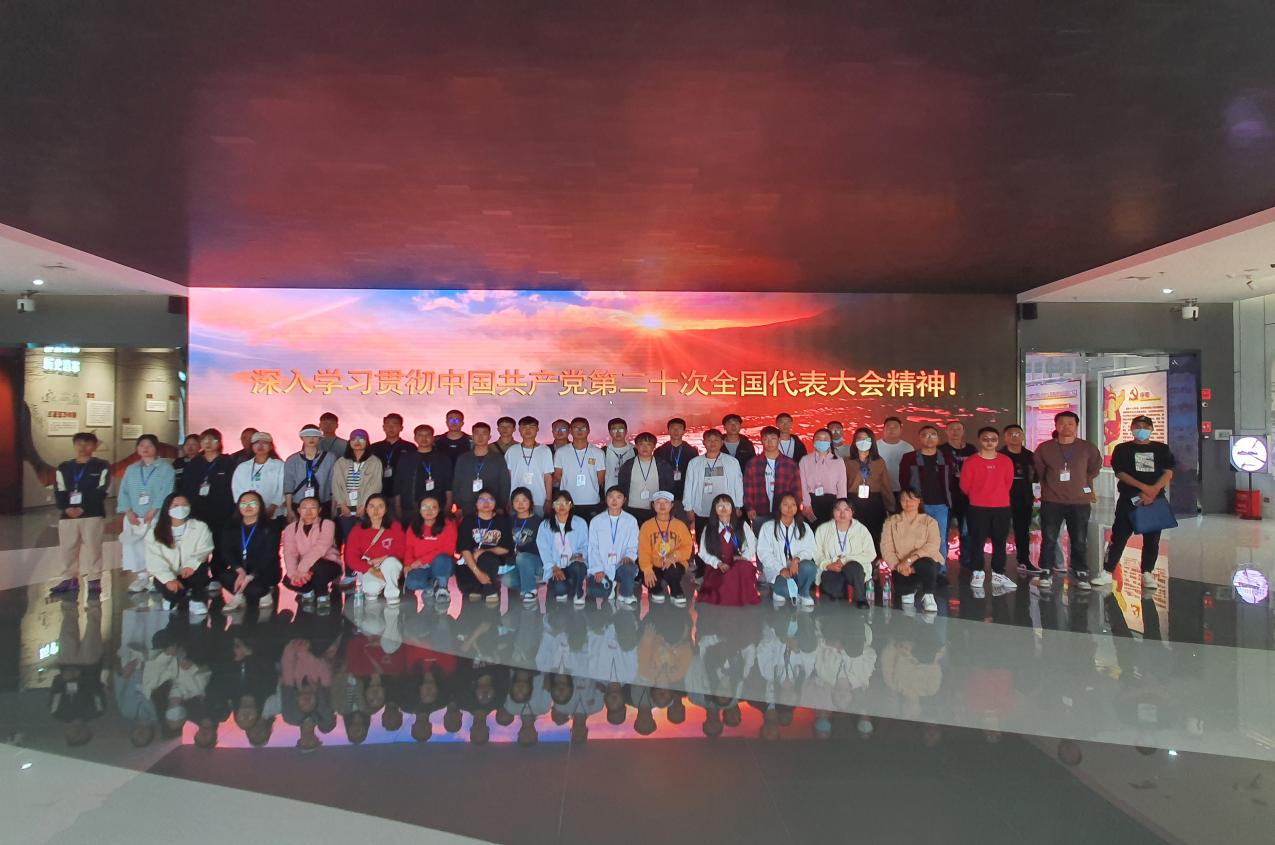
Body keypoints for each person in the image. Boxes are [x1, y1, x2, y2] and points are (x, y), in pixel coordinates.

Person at [1095, 415, 1176, 591]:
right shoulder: (1122, 449)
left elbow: (1168, 471)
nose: (1141, 429)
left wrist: (1153, 490)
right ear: (1131, 428)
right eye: (1138, 426)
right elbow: (1120, 472)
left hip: (1154, 500)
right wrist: (1144, 488)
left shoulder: (1161, 449)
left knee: (1152, 539)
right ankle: (1107, 571)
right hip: (1128, 499)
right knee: (1119, 536)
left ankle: (1147, 573)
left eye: (1145, 426)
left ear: (1152, 429)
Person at [1033, 411, 1103, 589]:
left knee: (1079, 539)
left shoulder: (1087, 448)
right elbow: (1040, 471)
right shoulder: (1045, 448)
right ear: (1056, 426)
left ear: (1076, 426)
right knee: (1049, 538)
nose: (1066, 427)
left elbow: (1094, 468)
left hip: (1079, 501)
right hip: (1052, 500)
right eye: (1062, 423)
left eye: (1070, 423)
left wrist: (1082, 480)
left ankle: (1080, 571)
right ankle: (1046, 571)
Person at [51, 432, 112, 595]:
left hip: (92, 514)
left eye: (87, 444)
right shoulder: (64, 467)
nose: (83, 447)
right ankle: (69, 578)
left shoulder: (102, 465)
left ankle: (94, 579)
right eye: (79, 443)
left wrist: (83, 507)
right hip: (68, 515)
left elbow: (102, 489)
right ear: (74, 445)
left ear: (95, 446)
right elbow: (59, 489)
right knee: (67, 549)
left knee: (93, 547)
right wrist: (66, 508)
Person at [960, 427, 1016, 594]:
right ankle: (978, 572)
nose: (989, 442)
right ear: (979, 440)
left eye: (993, 439)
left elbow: (1008, 483)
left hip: (1001, 507)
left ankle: (998, 573)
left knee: (1000, 541)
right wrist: (979, 495)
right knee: (977, 540)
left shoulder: (1006, 461)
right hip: (978, 507)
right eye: (985, 439)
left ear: (998, 441)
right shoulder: (971, 461)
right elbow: (964, 485)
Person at [117, 434, 176, 594]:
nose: (145, 448)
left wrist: (154, 509)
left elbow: (166, 490)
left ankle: (157, 577)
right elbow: (124, 491)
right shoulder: (131, 469)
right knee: (135, 547)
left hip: (156, 515)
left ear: (156, 448)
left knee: (155, 546)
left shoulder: (165, 468)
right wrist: (128, 511)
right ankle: (142, 577)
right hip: (134, 516)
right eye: (141, 445)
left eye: (149, 445)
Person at [145, 492, 215, 615]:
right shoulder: (155, 532)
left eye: (184, 505)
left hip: (191, 571)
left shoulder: (200, 527)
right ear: (167, 508)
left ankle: (196, 600)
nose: (181, 508)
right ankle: (172, 598)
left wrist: (191, 565)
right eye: (176, 505)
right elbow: (154, 559)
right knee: (171, 592)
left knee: (201, 570)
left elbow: (205, 548)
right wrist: (169, 579)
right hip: (169, 573)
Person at [897, 426, 955, 564]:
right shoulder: (909, 458)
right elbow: (903, 481)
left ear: (938, 438)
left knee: (940, 539)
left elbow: (951, 480)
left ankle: (940, 570)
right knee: (916, 540)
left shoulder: (946, 457)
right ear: (920, 438)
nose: (929, 437)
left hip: (941, 505)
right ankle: (917, 569)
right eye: (925, 435)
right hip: (917, 506)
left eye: (933, 434)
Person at [217, 491, 280, 611]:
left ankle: (263, 594)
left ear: (260, 505)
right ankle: (239, 595)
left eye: (253, 503)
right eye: (244, 503)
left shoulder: (270, 526)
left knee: (257, 588)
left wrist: (251, 575)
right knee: (224, 576)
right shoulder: (231, 526)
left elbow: (269, 555)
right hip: (242, 568)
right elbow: (226, 551)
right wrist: (239, 570)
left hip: (263, 570)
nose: (248, 506)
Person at [179, 428, 237, 559]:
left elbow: (233, 487)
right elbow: (186, 487)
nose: (208, 443)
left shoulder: (227, 462)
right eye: (205, 440)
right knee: (199, 543)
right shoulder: (194, 463)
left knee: (220, 545)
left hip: (222, 511)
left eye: (213, 440)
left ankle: (218, 570)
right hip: (198, 510)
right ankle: (200, 569)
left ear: (219, 443)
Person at [881, 490, 941, 613]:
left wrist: (909, 561)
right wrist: (898, 566)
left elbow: (933, 545)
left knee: (927, 564)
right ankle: (913, 588)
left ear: (919, 501)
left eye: (911, 499)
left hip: (924, 563)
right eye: (904, 500)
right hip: (900, 566)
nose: (908, 503)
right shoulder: (891, 522)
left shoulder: (930, 522)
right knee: (906, 599)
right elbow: (886, 548)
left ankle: (929, 595)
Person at [696, 494, 760, 607]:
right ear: (714, 509)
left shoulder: (742, 525)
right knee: (722, 582)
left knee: (743, 568)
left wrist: (743, 557)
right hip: (718, 567)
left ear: (732, 508)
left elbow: (753, 543)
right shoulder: (708, 528)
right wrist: (718, 563)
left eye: (727, 505)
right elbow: (703, 552)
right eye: (720, 506)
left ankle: (737, 594)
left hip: (737, 564)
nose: (724, 508)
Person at [342, 494, 406, 605]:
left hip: (390, 565)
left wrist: (381, 559)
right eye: (372, 506)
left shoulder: (395, 527)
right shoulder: (358, 530)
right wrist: (371, 569)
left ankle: (392, 594)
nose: (376, 510)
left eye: (380, 506)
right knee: (371, 590)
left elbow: (401, 551)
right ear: (366, 509)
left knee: (391, 562)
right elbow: (351, 557)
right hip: (368, 567)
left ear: (386, 509)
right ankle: (382, 583)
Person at [755, 493, 818, 607]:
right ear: (779, 506)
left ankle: (803, 593)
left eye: (793, 504)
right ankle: (784, 589)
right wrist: (781, 569)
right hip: (777, 571)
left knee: (810, 567)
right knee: (784, 593)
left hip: (797, 569)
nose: (790, 508)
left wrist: (797, 559)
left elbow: (811, 549)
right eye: (785, 504)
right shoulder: (768, 527)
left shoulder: (804, 527)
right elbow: (764, 552)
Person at [280, 496, 342, 607]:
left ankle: (322, 593)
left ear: (319, 510)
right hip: (304, 569)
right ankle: (307, 590)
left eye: (313, 507)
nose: (308, 511)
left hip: (328, 565)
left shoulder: (327, 524)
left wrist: (302, 569)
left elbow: (320, 548)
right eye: (304, 508)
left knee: (318, 567)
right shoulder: (291, 528)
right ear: (298, 510)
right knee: (288, 580)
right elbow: (290, 553)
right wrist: (294, 574)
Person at [813, 499, 876, 607]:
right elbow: (817, 553)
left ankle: (861, 599)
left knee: (854, 567)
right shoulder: (822, 529)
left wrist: (845, 560)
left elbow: (871, 554)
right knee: (830, 585)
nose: (842, 514)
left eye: (846, 510)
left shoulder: (861, 530)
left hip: (854, 569)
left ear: (852, 512)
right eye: (838, 510)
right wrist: (827, 564)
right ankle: (842, 591)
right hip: (833, 567)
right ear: (833, 512)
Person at [844, 427, 896, 552]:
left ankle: (874, 560)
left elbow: (885, 485)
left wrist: (891, 507)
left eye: (866, 439)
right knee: (854, 533)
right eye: (860, 439)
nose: (863, 441)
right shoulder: (847, 461)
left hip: (874, 502)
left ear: (872, 441)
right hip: (853, 501)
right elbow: (842, 484)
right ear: (854, 441)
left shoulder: (879, 461)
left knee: (875, 533)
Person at [637, 492, 693, 607]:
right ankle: (656, 589)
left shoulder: (680, 525)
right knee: (649, 578)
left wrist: (674, 556)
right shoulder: (646, 526)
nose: (662, 506)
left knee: (673, 571)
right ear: (653, 505)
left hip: (673, 563)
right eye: (658, 502)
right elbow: (643, 551)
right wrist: (647, 570)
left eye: (666, 502)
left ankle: (676, 589)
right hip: (654, 564)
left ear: (671, 505)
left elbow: (688, 547)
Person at [587, 487, 641, 605]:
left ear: (624, 500)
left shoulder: (631, 520)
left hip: (620, 564)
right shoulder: (596, 521)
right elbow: (592, 548)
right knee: (597, 592)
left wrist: (629, 556)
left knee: (629, 568)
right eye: (611, 497)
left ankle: (625, 593)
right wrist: (598, 569)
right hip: (603, 566)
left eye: (618, 497)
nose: (614, 500)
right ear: (606, 499)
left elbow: (634, 544)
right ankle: (611, 584)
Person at [456, 489, 512, 602]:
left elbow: (506, 548)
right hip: (471, 560)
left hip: (494, 560)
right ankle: (477, 585)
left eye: (490, 500)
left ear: (495, 502)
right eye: (481, 500)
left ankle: (490, 590)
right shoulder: (468, 521)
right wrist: (478, 572)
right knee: (469, 589)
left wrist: (484, 551)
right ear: (475, 503)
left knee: (487, 557)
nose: (486, 503)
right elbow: (464, 549)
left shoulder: (502, 521)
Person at [681, 429, 744, 528]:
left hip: (726, 511)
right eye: (709, 440)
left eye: (716, 440)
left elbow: (738, 485)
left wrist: (738, 506)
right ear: (703, 443)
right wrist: (688, 508)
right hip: (701, 511)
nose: (712, 443)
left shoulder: (732, 462)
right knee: (702, 536)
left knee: (725, 536)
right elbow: (688, 486)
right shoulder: (694, 463)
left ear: (722, 442)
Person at [538, 491, 590, 606]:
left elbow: (585, 544)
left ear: (571, 505)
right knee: (560, 590)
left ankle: (578, 592)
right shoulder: (545, 525)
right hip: (556, 566)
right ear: (553, 506)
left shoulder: (580, 523)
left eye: (566, 503)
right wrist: (553, 567)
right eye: (558, 503)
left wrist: (580, 554)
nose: (562, 506)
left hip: (573, 563)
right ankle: (570, 584)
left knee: (578, 566)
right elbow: (543, 549)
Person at [403, 494, 457, 602]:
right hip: (421, 567)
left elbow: (448, 549)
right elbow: (409, 548)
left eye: (433, 507)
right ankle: (430, 587)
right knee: (412, 583)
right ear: (419, 509)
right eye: (425, 507)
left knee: (442, 558)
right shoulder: (413, 526)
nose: (429, 510)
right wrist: (408, 565)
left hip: (442, 565)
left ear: (439, 509)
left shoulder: (448, 525)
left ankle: (442, 587)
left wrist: (421, 561)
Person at [742, 425, 801, 525]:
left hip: (784, 512)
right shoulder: (753, 463)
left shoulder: (790, 463)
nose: (770, 442)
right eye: (766, 439)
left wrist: (795, 508)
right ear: (761, 441)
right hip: (759, 512)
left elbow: (796, 489)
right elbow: (747, 489)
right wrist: (750, 507)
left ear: (779, 440)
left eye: (773, 439)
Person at [396, 423, 455, 522]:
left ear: (433, 438)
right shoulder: (406, 458)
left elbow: (449, 484)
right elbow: (398, 484)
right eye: (420, 435)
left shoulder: (443, 458)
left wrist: (448, 505)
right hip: (411, 507)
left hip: (437, 507)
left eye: (427, 435)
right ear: (415, 438)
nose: (424, 438)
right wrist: (398, 507)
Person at [999, 424, 1037, 574]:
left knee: (1022, 530)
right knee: (1000, 531)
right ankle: (998, 564)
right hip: (1002, 498)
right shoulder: (999, 455)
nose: (1014, 436)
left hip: (1024, 498)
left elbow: (1036, 477)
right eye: (1011, 434)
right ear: (1005, 437)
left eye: (1018, 433)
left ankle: (1024, 560)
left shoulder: (1030, 456)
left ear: (1023, 436)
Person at [332, 429, 384, 538]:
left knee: (366, 538)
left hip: (365, 509)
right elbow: (336, 485)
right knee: (348, 539)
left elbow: (376, 485)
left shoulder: (374, 462)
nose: (357, 441)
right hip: (345, 509)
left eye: (361, 439)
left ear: (367, 442)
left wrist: (365, 505)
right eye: (354, 439)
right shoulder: (341, 462)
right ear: (349, 442)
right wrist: (342, 504)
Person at [552, 417, 606, 519]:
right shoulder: (561, 452)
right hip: (568, 501)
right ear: (571, 431)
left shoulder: (598, 453)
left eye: (583, 428)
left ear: (589, 430)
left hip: (592, 501)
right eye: (576, 428)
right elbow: (558, 476)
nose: (580, 431)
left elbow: (600, 479)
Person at [940, 421, 977, 570]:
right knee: (942, 532)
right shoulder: (940, 450)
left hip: (967, 497)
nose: (955, 432)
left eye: (958, 429)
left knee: (966, 531)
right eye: (951, 429)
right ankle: (941, 564)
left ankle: (966, 562)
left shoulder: (971, 449)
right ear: (946, 431)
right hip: (946, 497)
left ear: (963, 431)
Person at [453, 422, 510, 517]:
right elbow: (456, 482)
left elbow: (504, 483)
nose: (480, 437)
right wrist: (458, 505)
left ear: (489, 437)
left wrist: (501, 505)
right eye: (477, 433)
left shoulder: (498, 459)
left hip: (490, 505)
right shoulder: (463, 458)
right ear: (472, 437)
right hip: (466, 505)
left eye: (484, 433)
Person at [231, 431, 285, 526]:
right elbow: (236, 489)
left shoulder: (279, 465)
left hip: (274, 513)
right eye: (256, 443)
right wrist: (245, 506)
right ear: (252, 446)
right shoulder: (242, 467)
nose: (260, 445)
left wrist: (273, 506)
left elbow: (283, 487)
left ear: (271, 446)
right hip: (248, 513)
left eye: (264, 442)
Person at [282, 424, 336, 521]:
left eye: (315, 436)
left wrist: (333, 509)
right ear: (301, 438)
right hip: (299, 504)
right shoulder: (292, 460)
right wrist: (289, 510)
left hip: (323, 503)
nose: (311, 439)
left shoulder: (329, 458)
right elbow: (288, 486)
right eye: (307, 436)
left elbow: (333, 484)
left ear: (319, 437)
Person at [617, 431, 675, 519]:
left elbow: (669, 487)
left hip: (655, 509)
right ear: (636, 446)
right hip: (631, 509)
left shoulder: (663, 465)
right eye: (641, 444)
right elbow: (622, 486)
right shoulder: (627, 465)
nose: (645, 447)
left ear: (654, 446)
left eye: (649, 444)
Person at [506, 416, 555, 514]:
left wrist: (549, 499)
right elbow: (508, 477)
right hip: (516, 500)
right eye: (524, 427)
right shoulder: (512, 450)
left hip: (538, 500)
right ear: (519, 430)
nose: (528, 430)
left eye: (532, 427)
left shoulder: (545, 450)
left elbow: (548, 477)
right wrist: (508, 499)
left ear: (537, 429)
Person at [371, 413, 416, 519]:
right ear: (383, 427)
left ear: (401, 428)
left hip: (403, 494)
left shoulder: (410, 447)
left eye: (395, 424)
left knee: (401, 524)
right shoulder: (374, 448)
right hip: (379, 492)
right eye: (388, 425)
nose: (391, 428)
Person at [502, 488, 543, 604]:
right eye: (516, 501)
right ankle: (530, 581)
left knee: (522, 557)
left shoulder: (539, 521)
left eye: (524, 500)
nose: (520, 504)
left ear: (531, 502)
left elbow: (544, 547)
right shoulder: (509, 521)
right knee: (506, 580)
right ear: (512, 503)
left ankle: (529, 591)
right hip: (517, 563)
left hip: (537, 563)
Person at [798, 428, 846, 525]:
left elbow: (842, 486)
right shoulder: (805, 460)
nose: (822, 441)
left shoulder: (838, 461)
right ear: (813, 442)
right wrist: (806, 504)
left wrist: (841, 506)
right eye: (818, 439)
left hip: (832, 502)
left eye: (825, 439)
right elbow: (802, 484)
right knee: (813, 528)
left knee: (830, 530)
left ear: (830, 442)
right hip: (812, 502)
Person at [653, 418, 698, 502]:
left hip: (685, 489)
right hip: (665, 491)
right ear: (668, 430)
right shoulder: (659, 451)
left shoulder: (692, 451)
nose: (676, 431)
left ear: (684, 431)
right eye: (673, 428)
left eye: (679, 428)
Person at [877, 417, 914, 495]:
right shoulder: (875, 446)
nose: (892, 429)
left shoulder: (908, 448)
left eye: (895, 427)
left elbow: (912, 471)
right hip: (879, 489)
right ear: (883, 429)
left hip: (901, 489)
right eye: (888, 426)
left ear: (901, 430)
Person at [603, 418, 634, 490]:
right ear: (609, 432)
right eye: (614, 430)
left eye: (621, 429)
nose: (617, 432)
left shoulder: (634, 450)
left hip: (630, 490)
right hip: (609, 490)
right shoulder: (603, 451)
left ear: (626, 431)